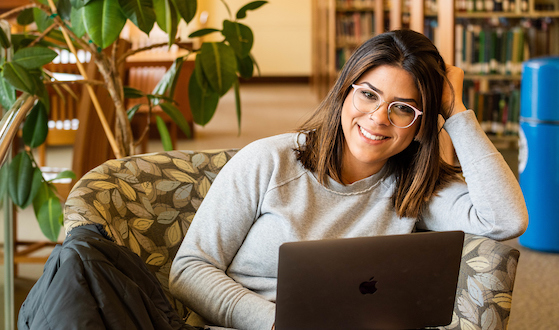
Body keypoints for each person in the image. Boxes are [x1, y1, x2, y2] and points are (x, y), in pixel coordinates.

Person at [169, 29, 528, 330]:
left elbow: (506, 220)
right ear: (345, 92)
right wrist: (279, 324)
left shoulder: (415, 188)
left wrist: (455, 111)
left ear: (421, 124)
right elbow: (190, 270)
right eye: (369, 94)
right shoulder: (268, 161)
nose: (378, 118)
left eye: (403, 107)